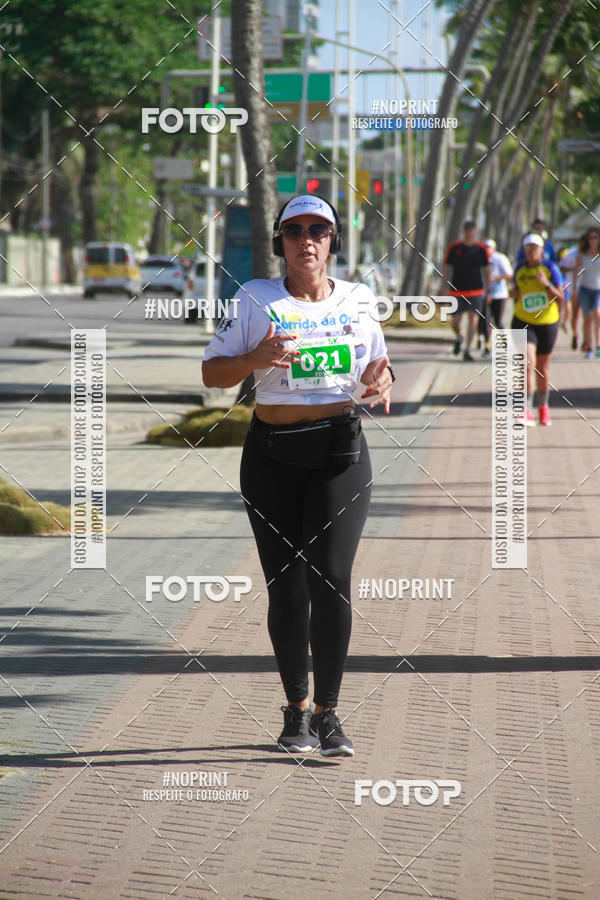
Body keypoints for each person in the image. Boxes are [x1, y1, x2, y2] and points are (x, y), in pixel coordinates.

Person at [201, 194, 393, 757]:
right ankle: (297, 712)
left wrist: (383, 379)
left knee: (330, 578)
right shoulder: (255, 298)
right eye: (294, 230)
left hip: (340, 453)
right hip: (272, 455)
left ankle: (330, 715)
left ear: (333, 240)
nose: (306, 240)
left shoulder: (359, 299)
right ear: (280, 241)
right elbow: (213, 373)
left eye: (319, 230)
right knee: (285, 585)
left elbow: (377, 362)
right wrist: (255, 358)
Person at [511, 233, 564, 426]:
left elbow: (561, 297)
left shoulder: (550, 268)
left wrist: (546, 284)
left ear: (542, 250)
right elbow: (514, 291)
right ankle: (526, 409)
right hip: (523, 320)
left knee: (542, 368)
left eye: (535, 247)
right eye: (528, 248)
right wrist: (513, 293)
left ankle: (543, 408)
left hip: (547, 322)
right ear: (524, 250)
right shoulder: (520, 268)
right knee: (526, 364)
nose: (532, 251)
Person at [442, 219, 491, 361]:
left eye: (472, 230)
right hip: (456, 291)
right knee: (455, 322)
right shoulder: (454, 248)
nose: (469, 233)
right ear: (463, 232)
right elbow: (446, 268)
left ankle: (467, 350)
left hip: (476, 291)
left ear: (475, 232)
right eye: (467, 230)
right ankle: (459, 336)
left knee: (473, 321)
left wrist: (488, 292)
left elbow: (487, 272)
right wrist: (443, 287)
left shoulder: (482, 250)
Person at [571, 227, 600, 359]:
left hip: (598, 290)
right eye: (590, 238)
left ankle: (598, 345)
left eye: (595, 237)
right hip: (585, 289)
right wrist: (574, 289)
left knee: (598, 315)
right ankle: (588, 346)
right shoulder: (582, 253)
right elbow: (576, 272)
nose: (592, 240)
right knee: (587, 318)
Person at [484, 238, 513, 334]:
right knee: (485, 320)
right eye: (485, 247)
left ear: (494, 248)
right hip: (484, 295)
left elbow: (509, 275)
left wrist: (496, 278)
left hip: (499, 294)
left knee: (498, 321)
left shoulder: (500, 258)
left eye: (489, 247)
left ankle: (502, 342)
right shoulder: (480, 258)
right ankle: (486, 343)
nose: (487, 249)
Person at [557, 245, 577, 344]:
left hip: (567, 286)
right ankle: (558, 323)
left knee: (568, 308)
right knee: (559, 307)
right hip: (559, 287)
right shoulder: (557, 266)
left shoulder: (570, 261)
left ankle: (564, 323)